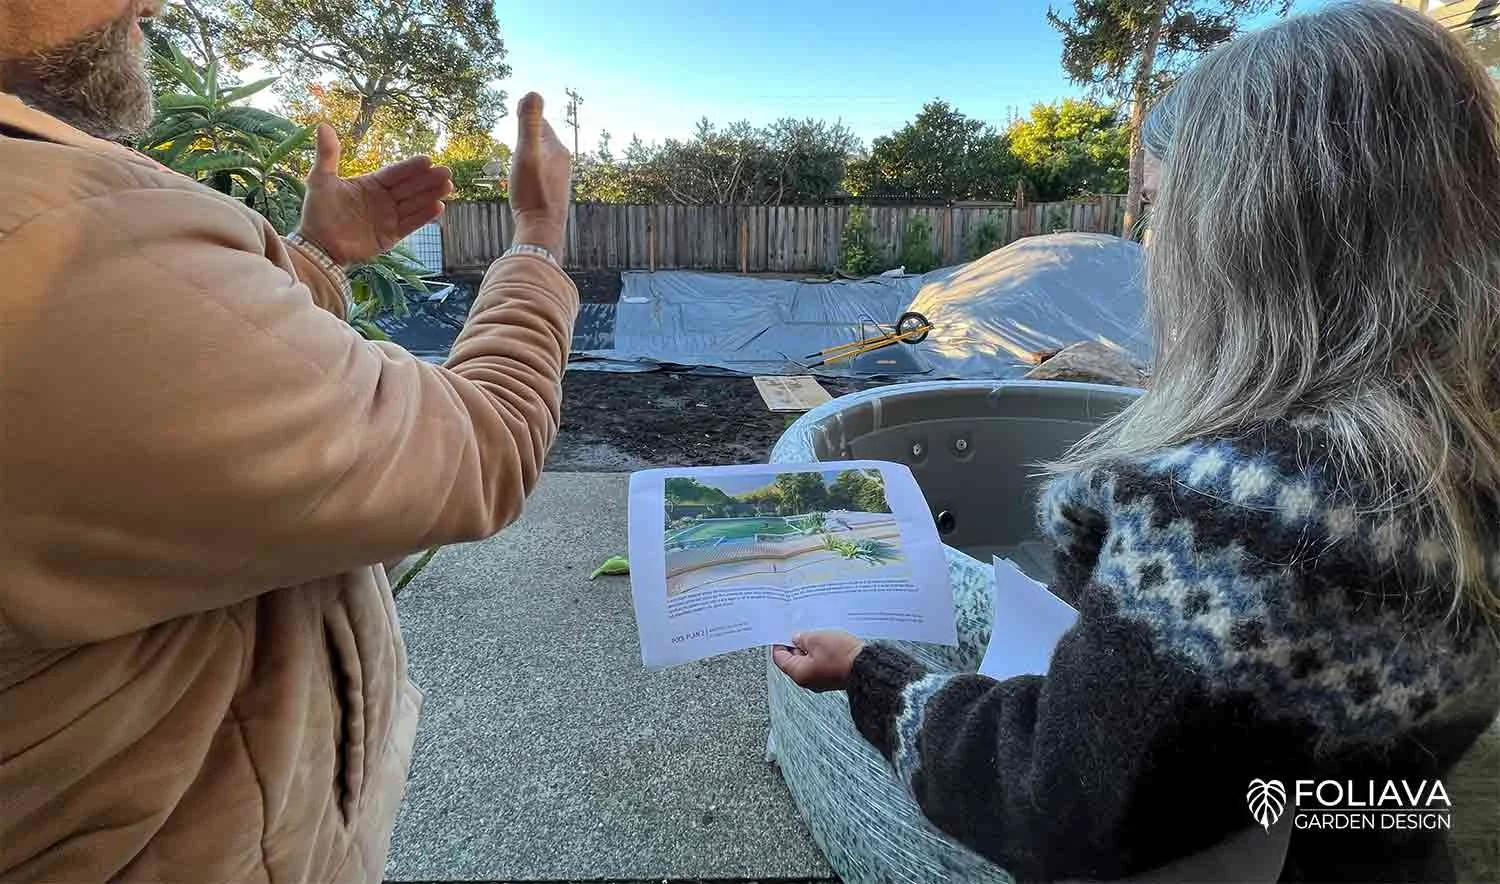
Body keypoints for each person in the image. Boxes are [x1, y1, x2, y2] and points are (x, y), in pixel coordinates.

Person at [775, 3, 1500, 882]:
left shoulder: (1252, 517)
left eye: (1159, 209)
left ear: (1247, 227)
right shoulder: (1465, 452)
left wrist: (869, 675)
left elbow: (1058, 801)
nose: (1151, 247)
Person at [0, 1, 578, 880]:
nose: (152, 3)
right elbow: (484, 447)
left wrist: (314, 256)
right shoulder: (53, 246)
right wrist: (538, 239)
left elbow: (180, 376)